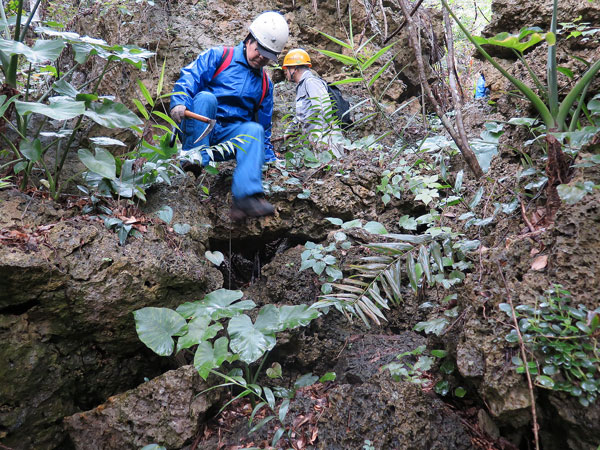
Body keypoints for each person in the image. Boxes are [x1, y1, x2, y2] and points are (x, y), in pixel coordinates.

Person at [170, 11, 289, 220]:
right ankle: (193, 160)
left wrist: (271, 162)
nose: (261, 57)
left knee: (254, 130)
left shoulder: (265, 85)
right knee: (206, 98)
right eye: (259, 50)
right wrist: (179, 102)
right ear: (248, 40)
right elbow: (190, 77)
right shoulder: (219, 56)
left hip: (227, 138)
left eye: (267, 56)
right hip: (198, 126)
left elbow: (264, 128)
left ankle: (245, 199)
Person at [282, 48, 344, 158]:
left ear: (294, 68)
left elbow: (323, 107)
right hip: (318, 140)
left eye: (286, 69)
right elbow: (301, 116)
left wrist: (319, 134)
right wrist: (290, 130)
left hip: (327, 138)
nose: (285, 73)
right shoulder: (302, 86)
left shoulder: (311, 82)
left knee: (334, 170)